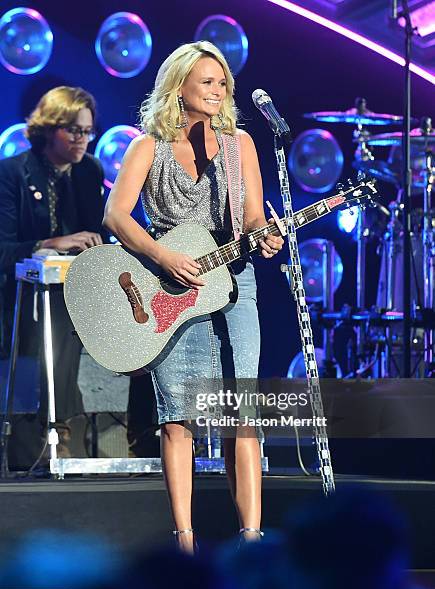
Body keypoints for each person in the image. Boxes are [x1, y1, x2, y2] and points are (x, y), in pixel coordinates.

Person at [104, 41, 283, 554]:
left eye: (222, 83)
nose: (218, 91)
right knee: (178, 416)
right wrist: (163, 257)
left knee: (241, 412)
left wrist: (263, 234)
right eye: (207, 81)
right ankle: (184, 539)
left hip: (234, 284)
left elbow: (250, 217)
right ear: (178, 86)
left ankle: (251, 538)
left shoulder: (239, 144)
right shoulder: (147, 147)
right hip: (171, 291)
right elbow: (116, 217)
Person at [0, 86, 105, 467]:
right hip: (21, 296)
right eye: (74, 131)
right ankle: (41, 440)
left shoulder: (90, 170)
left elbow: (95, 232)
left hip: (74, 292)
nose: (82, 140)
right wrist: (52, 242)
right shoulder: (12, 172)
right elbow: (3, 248)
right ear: (50, 129)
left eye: (88, 132)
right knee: (47, 325)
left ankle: (64, 431)